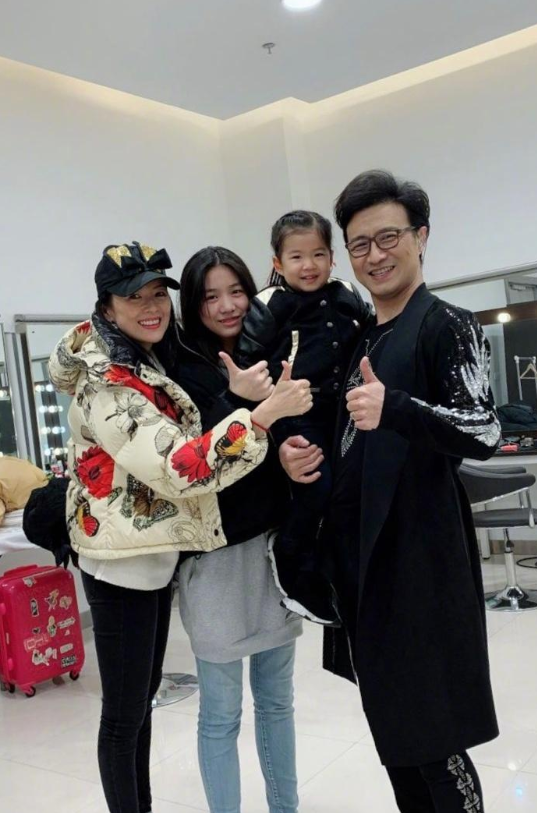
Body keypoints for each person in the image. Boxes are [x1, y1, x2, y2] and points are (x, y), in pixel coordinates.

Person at [48, 241, 311, 813]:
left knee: (150, 707)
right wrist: (256, 411)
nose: (150, 307)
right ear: (106, 307)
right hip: (135, 561)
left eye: (155, 295)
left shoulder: (158, 359)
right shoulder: (115, 379)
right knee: (134, 715)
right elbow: (181, 467)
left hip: (163, 554)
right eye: (133, 298)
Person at [279, 171, 501, 813]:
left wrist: (397, 407)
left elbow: (483, 429)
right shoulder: (362, 337)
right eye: (359, 244)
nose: (374, 255)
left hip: (421, 561)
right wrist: (295, 453)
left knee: (436, 738)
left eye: (388, 237)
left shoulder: (448, 325)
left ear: (420, 237)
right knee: (398, 738)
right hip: (364, 565)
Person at [172, 245, 306, 813]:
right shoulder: (179, 370)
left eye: (237, 292)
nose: (227, 306)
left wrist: (291, 455)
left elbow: (284, 440)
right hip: (213, 560)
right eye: (211, 296)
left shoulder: (273, 356)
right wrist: (238, 400)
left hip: (271, 549)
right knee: (220, 714)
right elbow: (187, 465)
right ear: (193, 305)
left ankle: (285, 807)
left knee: (277, 702)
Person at [235, 210, 372, 625]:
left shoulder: (347, 292)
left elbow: (370, 332)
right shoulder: (269, 303)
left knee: (348, 490)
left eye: (318, 254)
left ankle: (335, 573)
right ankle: (290, 553)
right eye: (296, 257)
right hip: (295, 412)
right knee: (316, 485)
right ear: (278, 263)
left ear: (332, 256)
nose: (308, 265)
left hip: (342, 413)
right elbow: (249, 358)